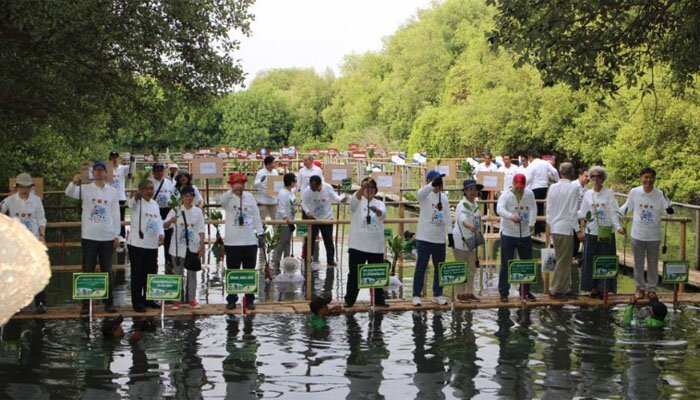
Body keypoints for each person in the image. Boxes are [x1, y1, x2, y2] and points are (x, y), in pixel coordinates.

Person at [65, 160, 120, 313]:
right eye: (96, 170)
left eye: (102, 170)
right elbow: (68, 193)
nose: (99, 172)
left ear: (106, 173)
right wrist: (74, 181)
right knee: (87, 269)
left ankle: (108, 302)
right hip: (89, 235)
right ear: (92, 173)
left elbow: (115, 214)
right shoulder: (85, 189)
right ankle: (86, 303)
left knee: (107, 270)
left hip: (107, 236)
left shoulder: (113, 191)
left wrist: (117, 235)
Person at [620, 167, 673, 300]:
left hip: (654, 235)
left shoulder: (660, 193)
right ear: (641, 178)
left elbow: (669, 210)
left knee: (653, 263)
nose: (648, 180)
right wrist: (613, 213)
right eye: (646, 177)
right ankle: (640, 288)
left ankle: (652, 289)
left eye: (651, 177)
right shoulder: (634, 192)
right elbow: (626, 207)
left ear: (654, 178)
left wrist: (670, 209)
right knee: (638, 263)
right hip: (637, 234)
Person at [1, 173, 48, 313]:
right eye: (21, 186)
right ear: (17, 187)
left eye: (27, 186)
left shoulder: (37, 201)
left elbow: (41, 219)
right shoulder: (9, 201)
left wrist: (42, 235)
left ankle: (40, 303)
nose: (24, 189)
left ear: (31, 187)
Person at [579, 166, 624, 298]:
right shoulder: (587, 194)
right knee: (590, 260)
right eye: (592, 176)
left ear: (602, 178)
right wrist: (568, 216)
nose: (595, 179)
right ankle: (592, 287)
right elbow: (583, 212)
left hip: (605, 231)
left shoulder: (609, 193)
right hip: (591, 231)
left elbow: (613, 211)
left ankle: (604, 288)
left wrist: (618, 227)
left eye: (598, 176)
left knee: (605, 258)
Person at [344, 177, 390, 308]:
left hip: (375, 246)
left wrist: (377, 211)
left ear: (375, 190)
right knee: (354, 274)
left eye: (372, 188)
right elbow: (352, 203)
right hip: (357, 245)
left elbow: (383, 215)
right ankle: (349, 300)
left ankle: (379, 300)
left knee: (377, 273)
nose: (369, 190)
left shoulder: (379, 203)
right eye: (366, 188)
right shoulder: (357, 199)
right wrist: (362, 187)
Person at [221, 172, 264, 310]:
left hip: (249, 241)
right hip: (232, 242)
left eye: (243, 184)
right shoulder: (228, 197)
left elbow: (256, 216)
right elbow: (221, 202)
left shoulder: (250, 197)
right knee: (232, 271)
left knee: (249, 271)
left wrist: (261, 233)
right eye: (237, 184)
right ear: (232, 185)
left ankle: (250, 298)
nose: (240, 187)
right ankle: (232, 299)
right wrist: (232, 191)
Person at [412, 170, 453, 306]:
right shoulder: (425, 195)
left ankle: (438, 293)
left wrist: (450, 234)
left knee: (439, 267)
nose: (438, 184)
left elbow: (447, 217)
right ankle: (416, 294)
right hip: (424, 238)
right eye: (436, 181)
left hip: (439, 239)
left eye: (439, 182)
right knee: (421, 267)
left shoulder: (444, 198)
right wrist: (431, 185)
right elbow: (418, 194)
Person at [496, 173, 537, 302]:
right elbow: (499, 209)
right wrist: (510, 216)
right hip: (508, 233)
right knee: (506, 263)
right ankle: (504, 292)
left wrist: (532, 223)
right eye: (517, 187)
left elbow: (534, 208)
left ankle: (525, 291)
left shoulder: (529, 194)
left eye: (522, 187)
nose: (519, 189)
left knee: (527, 262)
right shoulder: (506, 195)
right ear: (513, 185)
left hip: (524, 234)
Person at [546, 162, 583, 300]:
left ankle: (566, 288)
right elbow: (572, 211)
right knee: (563, 260)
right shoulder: (573, 188)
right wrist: (578, 229)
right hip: (566, 228)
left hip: (555, 227)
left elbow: (548, 208)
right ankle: (555, 289)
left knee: (565, 259)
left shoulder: (553, 187)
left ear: (560, 172)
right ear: (572, 173)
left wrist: (550, 225)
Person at [127, 180, 164, 313]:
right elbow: (129, 204)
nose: (150, 191)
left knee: (150, 272)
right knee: (138, 274)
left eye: (151, 188)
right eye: (147, 188)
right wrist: (135, 197)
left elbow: (159, 221)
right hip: (137, 244)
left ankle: (148, 299)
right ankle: (137, 302)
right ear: (141, 190)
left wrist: (161, 233)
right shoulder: (136, 202)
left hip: (152, 244)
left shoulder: (154, 204)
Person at [164, 186, 205, 310]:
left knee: (192, 274)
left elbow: (201, 229)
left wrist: (201, 246)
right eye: (186, 196)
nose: (188, 198)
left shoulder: (198, 211)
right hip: (177, 247)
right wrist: (171, 220)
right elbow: (164, 225)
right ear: (182, 197)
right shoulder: (175, 210)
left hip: (192, 247)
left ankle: (192, 299)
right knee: (178, 273)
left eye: (191, 196)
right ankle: (176, 301)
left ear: (193, 197)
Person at [301, 175, 346, 267]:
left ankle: (330, 261)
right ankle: (307, 260)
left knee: (328, 240)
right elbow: (303, 203)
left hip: (327, 218)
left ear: (319, 184)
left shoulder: (328, 187)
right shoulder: (307, 191)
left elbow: (335, 197)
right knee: (310, 239)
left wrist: (342, 200)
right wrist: (307, 211)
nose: (312, 188)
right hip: (313, 218)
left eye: (314, 187)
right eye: (311, 186)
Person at [453, 179, 485, 302]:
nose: (473, 192)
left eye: (474, 189)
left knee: (471, 267)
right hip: (461, 240)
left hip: (472, 239)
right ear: (465, 191)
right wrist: (469, 226)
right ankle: (460, 293)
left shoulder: (475, 204)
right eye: (470, 189)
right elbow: (462, 218)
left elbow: (476, 218)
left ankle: (470, 292)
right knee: (461, 266)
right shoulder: (462, 204)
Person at [148, 162, 176, 272]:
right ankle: (152, 262)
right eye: (157, 171)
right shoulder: (149, 182)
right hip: (154, 211)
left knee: (168, 237)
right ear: (153, 171)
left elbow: (173, 196)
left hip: (167, 211)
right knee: (154, 235)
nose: (159, 173)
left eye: (161, 171)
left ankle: (168, 261)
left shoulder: (169, 183)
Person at [525, 151, 559, 235]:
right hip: (544, 187)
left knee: (534, 208)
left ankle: (534, 229)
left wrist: (523, 187)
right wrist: (558, 181)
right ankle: (539, 230)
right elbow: (554, 171)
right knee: (540, 208)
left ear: (530, 157)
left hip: (535, 187)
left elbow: (528, 178)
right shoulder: (545, 163)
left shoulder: (532, 165)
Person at [254, 155, 280, 265]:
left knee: (277, 223)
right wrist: (261, 182)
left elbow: (278, 185)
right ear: (268, 164)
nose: (275, 165)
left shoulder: (275, 172)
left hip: (273, 201)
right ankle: (262, 241)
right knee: (262, 223)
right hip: (263, 201)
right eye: (273, 163)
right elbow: (255, 185)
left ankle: (277, 242)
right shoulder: (261, 173)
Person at [271, 173, 297, 273]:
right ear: (290, 182)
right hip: (284, 221)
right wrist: (288, 221)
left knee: (287, 242)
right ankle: (275, 263)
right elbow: (281, 209)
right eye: (294, 181)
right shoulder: (283, 193)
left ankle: (286, 263)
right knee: (281, 242)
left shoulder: (290, 191)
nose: (296, 183)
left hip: (290, 221)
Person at [108, 151, 130, 238]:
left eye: (116, 157)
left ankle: (122, 236)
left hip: (120, 197)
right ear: (110, 159)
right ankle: (111, 235)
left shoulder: (123, 168)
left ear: (119, 158)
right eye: (112, 157)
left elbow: (131, 169)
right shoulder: (107, 169)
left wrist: (133, 161)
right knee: (110, 217)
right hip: (109, 197)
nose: (114, 159)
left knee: (121, 217)